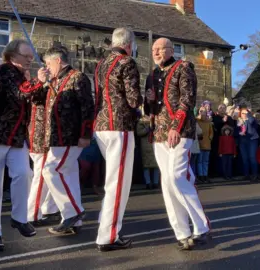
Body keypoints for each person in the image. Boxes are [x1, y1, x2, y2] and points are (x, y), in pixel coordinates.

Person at [145, 37, 210, 251]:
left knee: (176, 176)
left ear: (171, 50)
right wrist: (148, 100)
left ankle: (201, 226)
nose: (156, 52)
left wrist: (176, 126)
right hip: (159, 132)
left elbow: (187, 99)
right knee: (167, 183)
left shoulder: (184, 67)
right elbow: (149, 108)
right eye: (154, 49)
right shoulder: (152, 74)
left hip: (180, 130)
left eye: (160, 49)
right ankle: (181, 232)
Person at [0, 39, 38, 252]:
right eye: (26, 56)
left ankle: (19, 218)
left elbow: (32, 98)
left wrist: (40, 84)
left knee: (24, 173)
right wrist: (37, 82)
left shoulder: (23, 75)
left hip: (16, 137)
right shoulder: (4, 71)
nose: (30, 60)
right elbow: (19, 93)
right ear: (12, 56)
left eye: (31, 57)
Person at [30, 46, 94, 236]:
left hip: (70, 136)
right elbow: (37, 101)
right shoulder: (54, 81)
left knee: (51, 170)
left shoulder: (77, 77)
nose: (47, 68)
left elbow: (87, 106)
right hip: (56, 136)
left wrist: (85, 133)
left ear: (58, 61)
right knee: (68, 175)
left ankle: (72, 212)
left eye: (48, 64)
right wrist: (41, 81)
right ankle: (76, 220)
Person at [93, 27, 142, 251]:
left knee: (111, 180)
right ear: (129, 44)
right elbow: (133, 99)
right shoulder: (127, 62)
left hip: (101, 125)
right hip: (119, 125)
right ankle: (108, 235)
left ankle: (105, 223)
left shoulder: (100, 64)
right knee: (118, 183)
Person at [26, 87, 60, 227]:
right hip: (40, 140)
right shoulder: (40, 89)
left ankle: (49, 209)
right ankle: (32, 214)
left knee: (50, 174)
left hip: (42, 138)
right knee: (40, 177)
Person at [136, 111, 160, 189]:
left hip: (155, 144)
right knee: (146, 166)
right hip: (146, 145)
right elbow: (139, 132)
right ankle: (148, 182)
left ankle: (155, 182)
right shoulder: (141, 121)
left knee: (156, 165)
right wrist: (148, 129)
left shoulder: (156, 119)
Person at [238, 107, 259, 181]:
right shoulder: (238, 121)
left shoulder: (251, 119)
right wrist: (239, 133)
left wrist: (248, 115)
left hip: (252, 140)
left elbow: (251, 121)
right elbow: (235, 131)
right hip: (243, 141)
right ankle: (246, 174)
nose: (244, 115)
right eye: (243, 113)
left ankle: (255, 174)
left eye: (246, 113)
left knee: (252, 157)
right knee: (245, 158)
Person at [197, 107, 214, 183]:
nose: (202, 113)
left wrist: (209, 138)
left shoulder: (208, 123)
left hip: (207, 144)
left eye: (204, 111)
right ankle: (201, 176)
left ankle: (205, 175)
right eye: (201, 111)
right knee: (200, 161)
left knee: (205, 161)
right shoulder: (197, 121)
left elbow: (211, 133)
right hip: (199, 144)